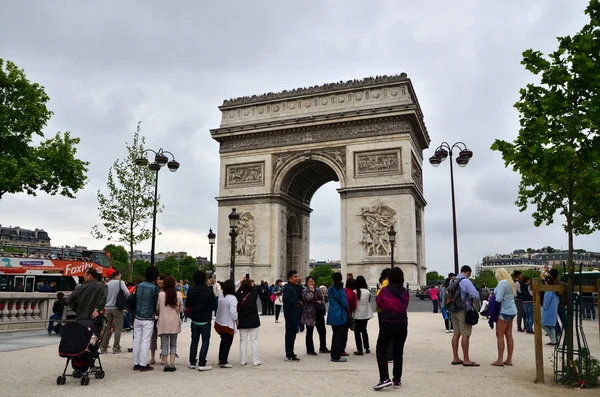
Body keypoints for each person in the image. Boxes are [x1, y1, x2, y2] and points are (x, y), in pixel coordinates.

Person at [373, 267, 410, 390]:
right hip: (402, 323)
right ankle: (397, 380)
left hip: (388, 323)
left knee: (381, 350)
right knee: (398, 352)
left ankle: (384, 378)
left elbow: (378, 304)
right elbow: (406, 305)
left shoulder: (384, 291)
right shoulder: (405, 292)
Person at [449, 265, 481, 367]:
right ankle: (466, 359)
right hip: (463, 310)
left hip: (453, 309)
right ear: (468, 272)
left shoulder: (452, 281)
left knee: (456, 334)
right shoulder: (466, 281)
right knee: (465, 334)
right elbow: (475, 295)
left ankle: (455, 357)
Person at [186, 270, 218, 371]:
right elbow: (214, 306)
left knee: (194, 341)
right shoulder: (209, 291)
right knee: (205, 341)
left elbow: (187, 305)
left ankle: (192, 362)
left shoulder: (191, 290)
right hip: (205, 319)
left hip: (195, 319)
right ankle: (202, 362)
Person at [132, 266, 160, 372]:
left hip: (138, 316)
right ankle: (143, 364)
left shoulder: (139, 286)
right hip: (148, 317)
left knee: (136, 340)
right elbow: (156, 303)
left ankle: (136, 363)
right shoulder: (154, 288)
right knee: (145, 340)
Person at [491, 268, 517, 367]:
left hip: (503, 311)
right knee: (509, 335)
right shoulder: (510, 283)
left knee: (500, 335)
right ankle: (509, 359)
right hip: (512, 310)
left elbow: (499, 298)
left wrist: (493, 296)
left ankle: (500, 359)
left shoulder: (502, 283)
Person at [99, 271, 130, 354]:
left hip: (108, 308)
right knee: (118, 328)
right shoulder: (120, 283)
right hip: (117, 308)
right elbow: (127, 293)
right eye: (120, 276)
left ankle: (103, 347)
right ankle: (116, 347)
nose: (120, 277)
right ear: (116, 276)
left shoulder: (107, 284)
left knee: (107, 328)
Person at [157, 276, 183, 371]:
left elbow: (158, 308)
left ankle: (165, 364)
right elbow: (180, 309)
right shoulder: (179, 295)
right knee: (173, 343)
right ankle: (172, 363)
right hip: (174, 321)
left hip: (163, 321)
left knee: (164, 344)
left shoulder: (161, 295)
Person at [237, 279, 261, 366]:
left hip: (242, 320)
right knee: (254, 340)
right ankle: (255, 360)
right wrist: (251, 285)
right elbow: (255, 289)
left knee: (243, 341)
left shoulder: (239, 295)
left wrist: (241, 285)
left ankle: (243, 360)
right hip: (253, 320)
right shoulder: (254, 294)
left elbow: (238, 291)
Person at [301, 276, 328, 355]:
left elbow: (322, 299)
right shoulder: (304, 291)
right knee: (309, 332)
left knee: (322, 331)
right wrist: (311, 291)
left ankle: (323, 347)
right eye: (309, 282)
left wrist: (321, 302)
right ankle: (310, 350)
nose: (311, 283)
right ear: (306, 283)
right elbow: (307, 299)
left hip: (319, 313)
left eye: (312, 281)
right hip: (310, 314)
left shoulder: (318, 290)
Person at [214, 279, 238, 368]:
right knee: (227, 342)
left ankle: (221, 359)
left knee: (223, 341)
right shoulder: (232, 298)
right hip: (227, 323)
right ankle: (224, 361)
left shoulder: (221, 295)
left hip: (220, 322)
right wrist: (236, 319)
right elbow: (233, 311)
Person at [327, 272, 349, 363]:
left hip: (332, 313)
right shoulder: (341, 290)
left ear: (332, 280)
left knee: (335, 334)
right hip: (340, 314)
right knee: (340, 336)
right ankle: (336, 356)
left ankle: (334, 353)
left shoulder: (330, 289)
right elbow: (345, 303)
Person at [283, 270, 303, 361]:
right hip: (290, 314)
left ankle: (290, 352)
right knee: (290, 335)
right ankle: (289, 354)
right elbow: (286, 299)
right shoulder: (288, 288)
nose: (297, 278)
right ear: (289, 278)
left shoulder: (292, 287)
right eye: (295, 277)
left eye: (297, 276)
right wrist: (296, 303)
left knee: (292, 334)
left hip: (293, 314)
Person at [353, 275, 374, 355]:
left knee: (357, 332)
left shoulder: (354, 292)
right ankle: (367, 347)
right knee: (364, 331)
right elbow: (368, 301)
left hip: (357, 314)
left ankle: (360, 350)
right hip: (365, 313)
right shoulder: (368, 292)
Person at [542, 277, 559, 346]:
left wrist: (544, 308)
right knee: (551, 326)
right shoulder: (555, 290)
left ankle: (553, 338)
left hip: (548, 310)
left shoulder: (548, 291)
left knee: (543, 324)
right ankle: (553, 340)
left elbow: (546, 302)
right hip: (553, 310)